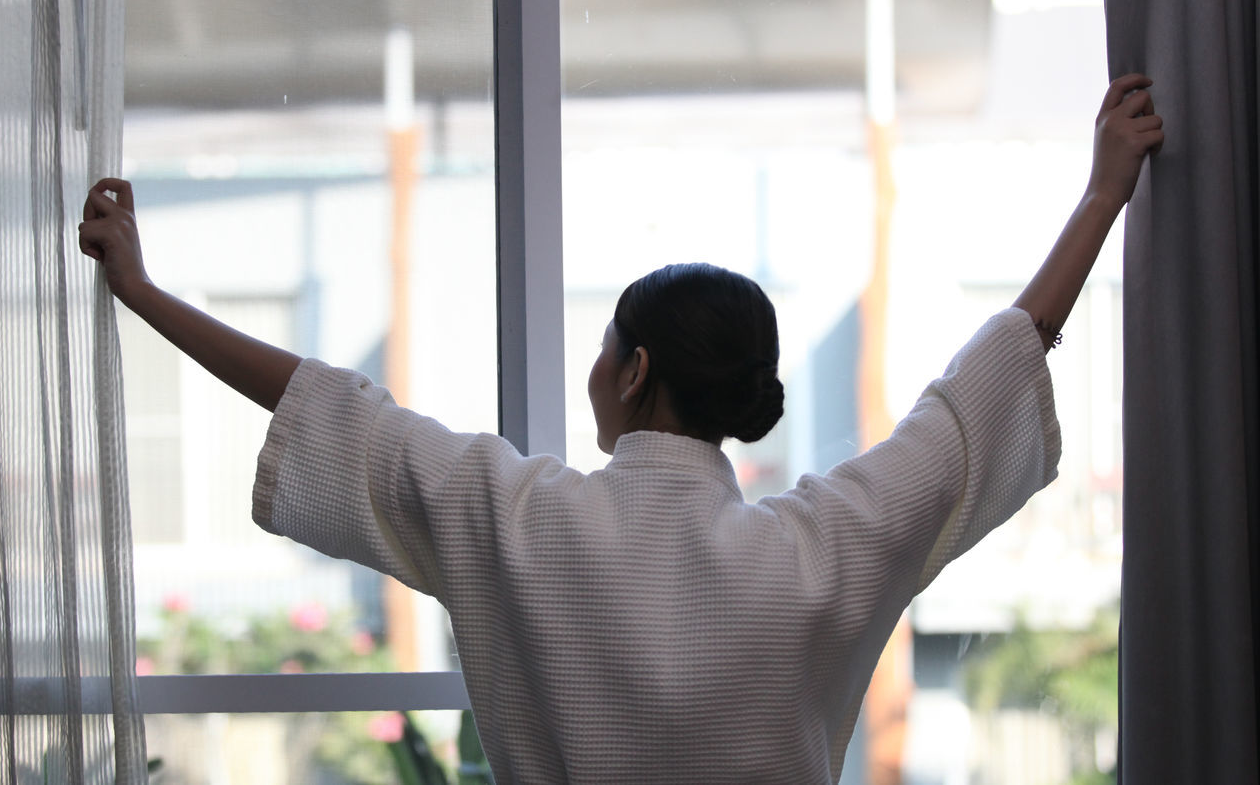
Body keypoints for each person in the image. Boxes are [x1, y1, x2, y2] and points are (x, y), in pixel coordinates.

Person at [78, 74, 1163, 784]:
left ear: (634, 371)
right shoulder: (823, 545)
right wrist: (1101, 194)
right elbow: (978, 394)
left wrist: (144, 291)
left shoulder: (515, 519)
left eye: (604, 347)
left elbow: (323, 405)